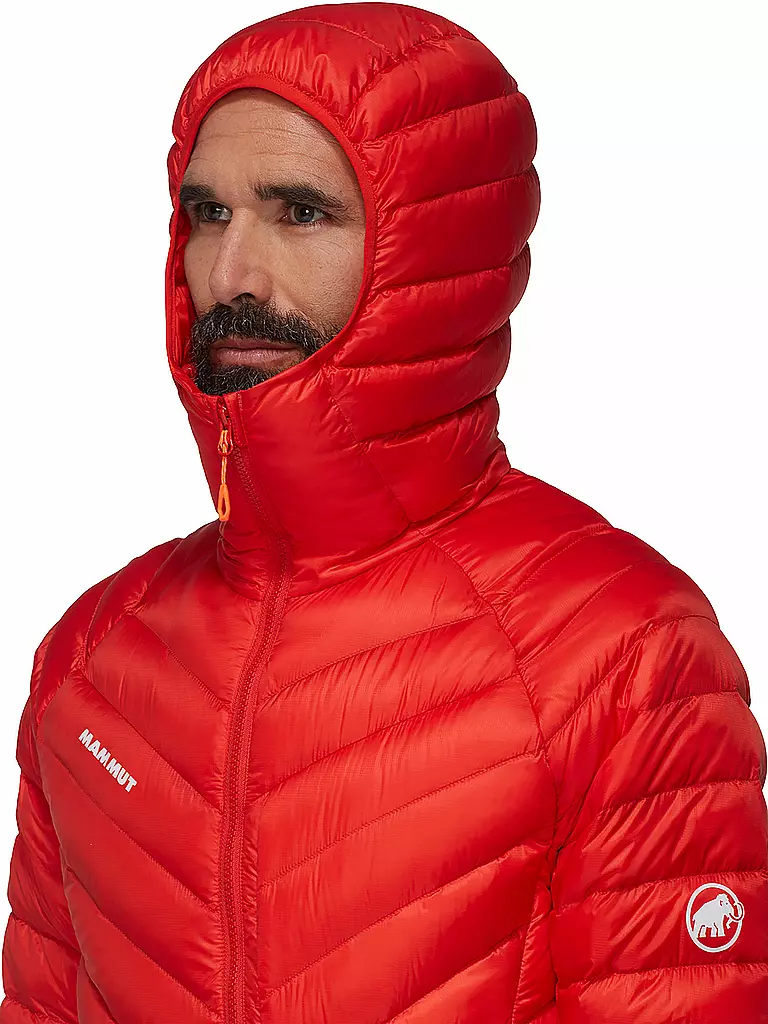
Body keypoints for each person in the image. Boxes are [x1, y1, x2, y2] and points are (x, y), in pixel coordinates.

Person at [1, 3, 766, 1022]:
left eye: (300, 213)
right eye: (207, 213)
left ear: (439, 253)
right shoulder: (95, 657)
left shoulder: (618, 652)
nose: (230, 274)